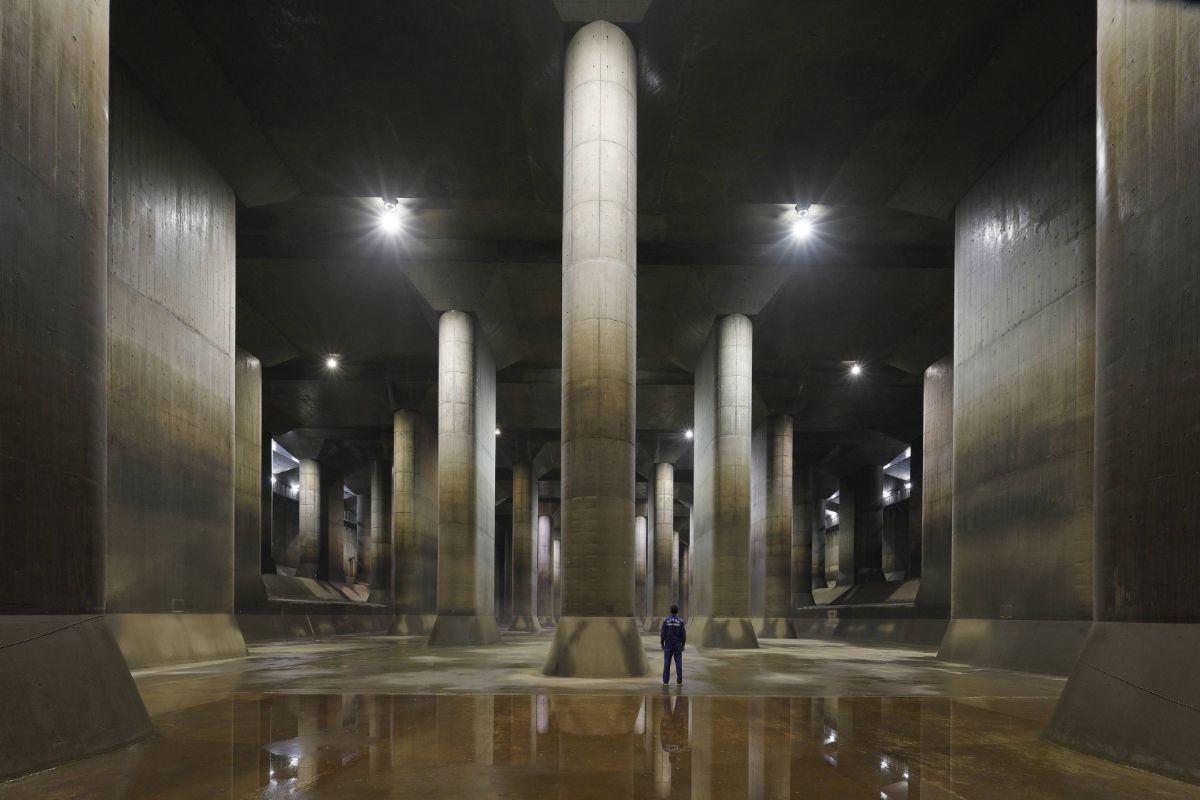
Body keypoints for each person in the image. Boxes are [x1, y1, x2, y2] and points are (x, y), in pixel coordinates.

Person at [660, 604, 686, 685]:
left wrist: (662, 644)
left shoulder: (666, 620)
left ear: (670, 611)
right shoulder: (681, 621)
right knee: (678, 662)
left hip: (668, 644)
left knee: (667, 662)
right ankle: (679, 681)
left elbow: (663, 633)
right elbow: (683, 634)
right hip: (677, 644)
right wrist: (683, 644)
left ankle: (665, 681)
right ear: (677, 611)